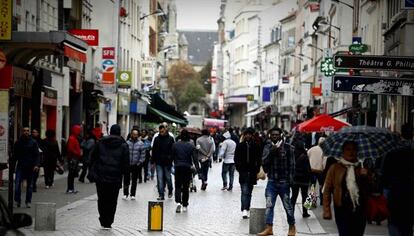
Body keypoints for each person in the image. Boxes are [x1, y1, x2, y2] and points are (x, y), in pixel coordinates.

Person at [323, 141, 371, 236]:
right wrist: (327, 210)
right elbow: (327, 190)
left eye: (354, 149)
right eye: (348, 149)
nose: (351, 152)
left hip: (360, 209)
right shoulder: (335, 168)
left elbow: (371, 188)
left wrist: (367, 176)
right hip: (342, 209)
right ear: (343, 151)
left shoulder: (361, 167)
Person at [88, 124, 129, 230]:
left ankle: (103, 219)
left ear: (110, 131)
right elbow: (126, 164)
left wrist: (93, 171)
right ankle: (108, 221)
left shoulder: (101, 142)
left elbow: (92, 157)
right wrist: (127, 181)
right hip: (115, 178)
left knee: (102, 199)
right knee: (112, 200)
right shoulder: (124, 145)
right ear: (119, 132)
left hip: (101, 176)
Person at [258, 127, 296, 236]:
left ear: (281, 135)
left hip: (284, 182)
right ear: (270, 136)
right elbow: (264, 165)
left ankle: (292, 227)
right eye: (273, 135)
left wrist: (290, 181)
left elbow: (292, 166)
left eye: (277, 135)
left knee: (287, 206)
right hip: (272, 182)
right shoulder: (267, 147)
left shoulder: (288, 148)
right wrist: (271, 152)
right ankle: (269, 228)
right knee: (269, 205)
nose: (275, 136)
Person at [381, 123, 414, 236]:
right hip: (410, 192)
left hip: (394, 192)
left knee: (394, 222)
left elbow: (384, 174)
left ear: (401, 134)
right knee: (408, 225)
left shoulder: (392, 152)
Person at [234, 127, 261, 219]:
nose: (248, 136)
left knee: (249, 192)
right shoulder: (240, 146)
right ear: (244, 135)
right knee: (244, 191)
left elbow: (259, 159)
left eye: (250, 134)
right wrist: (239, 168)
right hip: (243, 172)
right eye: (246, 134)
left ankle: (247, 208)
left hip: (252, 172)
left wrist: (257, 169)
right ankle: (244, 209)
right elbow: (236, 159)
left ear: (252, 135)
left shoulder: (256, 146)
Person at [171, 129, 199, 213]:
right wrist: (197, 169)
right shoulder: (191, 146)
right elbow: (195, 159)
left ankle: (178, 202)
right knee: (186, 187)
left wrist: (170, 165)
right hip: (187, 168)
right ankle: (185, 205)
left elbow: (171, 157)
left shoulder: (175, 145)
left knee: (178, 185)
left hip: (178, 167)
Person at [13, 127, 40, 208]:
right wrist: (12, 167)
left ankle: (28, 201)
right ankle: (18, 200)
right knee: (17, 185)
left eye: (27, 131)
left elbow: (37, 155)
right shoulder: (18, 142)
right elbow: (15, 155)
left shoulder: (33, 142)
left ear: (29, 132)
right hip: (20, 166)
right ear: (22, 132)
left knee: (30, 185)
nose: (26, 132)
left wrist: (36, 165)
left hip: (30, 167)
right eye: (24, 131)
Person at [151, 124, 175, 200]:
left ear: (166, 130)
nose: (161, 132)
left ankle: (170, 190)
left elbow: (173, 151)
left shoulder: (171, 139)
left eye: (163, 130)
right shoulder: (157, 139)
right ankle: (161, 195)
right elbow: (154, 150)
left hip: (167, 162)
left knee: (168, 178)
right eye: (160, 131)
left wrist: (170, 159)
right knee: (160, 178)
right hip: (159, 162)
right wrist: (152, 161)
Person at [123, 129, 145, 200]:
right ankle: (125, 194)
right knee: (126, 179)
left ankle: (133, 194)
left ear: (138, 135)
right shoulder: (127, 143)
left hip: (136, 165)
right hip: (128, 164)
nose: (135, 136)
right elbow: (124, 153)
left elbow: (143, 154)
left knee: (134, 180)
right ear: (131, 134)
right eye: (133, 134)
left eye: (136, 134)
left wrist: (139, 162)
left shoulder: (141, 143)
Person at [291, 141, 311, 218]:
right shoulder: (304, 156)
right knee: (304, 196)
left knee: (293, 197)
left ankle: (291, 212)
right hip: (304, 180)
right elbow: (307, 168)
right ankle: (305, 212)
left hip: (295, 179)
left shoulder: (293, 154)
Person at [307, 137, 326, 205]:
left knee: (313, 186)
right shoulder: (325, 150)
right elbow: (324, 162)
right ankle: (322, 201)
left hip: (312, 170)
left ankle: (312, 202)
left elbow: (307, 155)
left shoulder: (312, 149)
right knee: (322, 185)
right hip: (320, 171)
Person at [66, 125, 82, 193]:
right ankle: (70, 188)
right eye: (79, 130)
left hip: (74, 158)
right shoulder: (72, 138)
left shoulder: (74, 138)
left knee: (72, 174)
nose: (79, 132)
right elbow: (70, 149)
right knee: (71, 174)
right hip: (73, 158)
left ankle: (71, 188)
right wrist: (77, 153)